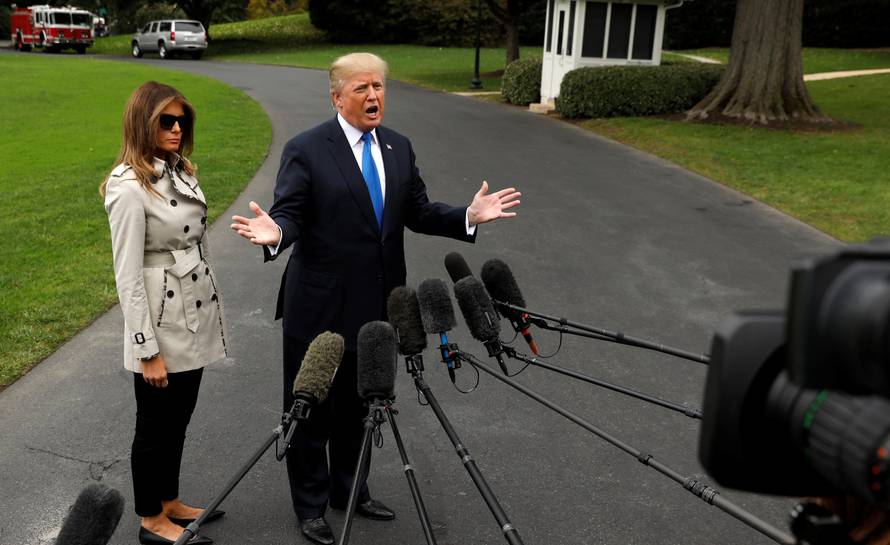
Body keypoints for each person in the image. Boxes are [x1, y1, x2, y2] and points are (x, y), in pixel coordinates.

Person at [231, 52, 520, 545]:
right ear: (337, 96)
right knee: (311, 407)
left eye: (380, 87)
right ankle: (311, 504)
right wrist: (276, 231)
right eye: (362, 88)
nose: (373, 96)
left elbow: (419, 212)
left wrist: (467, 216)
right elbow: (291, 213)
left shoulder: (397, 148)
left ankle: (351, 489)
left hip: (378, 307)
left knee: (362, 403)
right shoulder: (307, 149)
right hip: (319, 307)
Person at [102, 81, 228, 545]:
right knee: (154, 425)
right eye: (166, 121)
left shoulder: (178, 171)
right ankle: (150, 518)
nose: (177, 129)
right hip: (160, 318)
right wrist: (144, 348)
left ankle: (169, 500)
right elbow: (128, 275)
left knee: (180, 416)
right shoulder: (128, 186)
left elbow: (198, 242)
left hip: (194, 311)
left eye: (182, 121)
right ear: (143, 123)